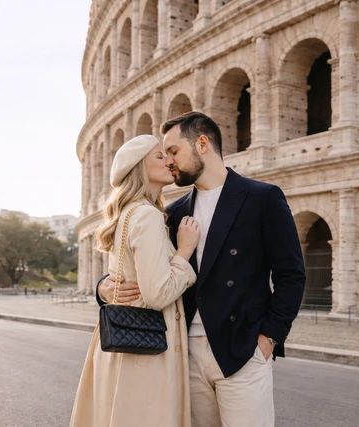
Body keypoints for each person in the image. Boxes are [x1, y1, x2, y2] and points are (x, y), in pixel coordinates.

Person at [98, 112, 306, 427]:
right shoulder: (171, 212)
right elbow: (142, 266)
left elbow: (291, 275)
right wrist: (103, 287)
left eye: (173, 151)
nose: (169, 161)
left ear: (203, 144)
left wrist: (268, 340)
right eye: (163, 154)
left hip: (242, 349)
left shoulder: (261, 198)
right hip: (182, 353)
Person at [70, 134, 200, 427]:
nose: (168, 160)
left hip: (124, 342)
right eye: (158, 156)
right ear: (139, 168)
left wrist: (104, 286)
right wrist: (184, 252)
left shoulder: (129, 214)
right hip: (149, 349)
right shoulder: (147, 216)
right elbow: (157, 295)